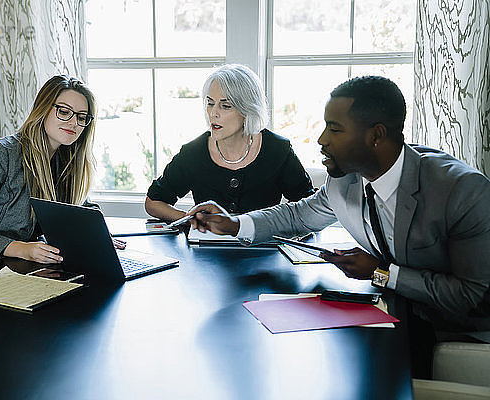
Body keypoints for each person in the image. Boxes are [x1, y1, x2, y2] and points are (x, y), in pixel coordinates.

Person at [188, 76, 490, 376]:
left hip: (455, 331)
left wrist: (379, 273)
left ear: (376, 135)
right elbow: (297, 216)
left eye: (334, 129)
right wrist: (233, 224)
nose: (322, 139)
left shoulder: (462, 191)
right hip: (393, 316)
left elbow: (468, 296)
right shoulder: (344, 179)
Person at [0, 75, 124, 278]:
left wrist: (95, 236)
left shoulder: (65, 161)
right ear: (43, 109)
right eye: (64, 112)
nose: (73, 123)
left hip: (19, 276)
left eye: (81, 117)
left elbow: (81, 208)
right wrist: (22, 248)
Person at [144, 64, 315, 221]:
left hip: (263, 248)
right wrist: (189, 219)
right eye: (210, 103)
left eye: (225, 106)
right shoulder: (193, 152)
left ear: (248, 109)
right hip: (207, 251)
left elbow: (310, 207)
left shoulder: (277, 149)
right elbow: (153, 202)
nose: (213, 114)